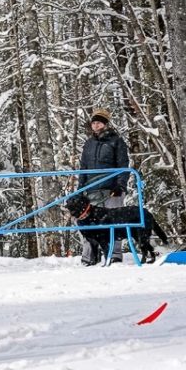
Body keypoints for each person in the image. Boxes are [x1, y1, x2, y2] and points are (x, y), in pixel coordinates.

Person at [77, 107, 131, 266]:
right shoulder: (89, 143)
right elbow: (83, 167)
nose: (96, 125)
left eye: (99, 123)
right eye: (93, 123)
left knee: (113, 222)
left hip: (111, 189)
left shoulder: (117, 141)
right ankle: (89, 256)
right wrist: (80, 190)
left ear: (106, 124)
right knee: (88, 223)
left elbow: (123, 165)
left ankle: (114, 255)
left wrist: (120, 185)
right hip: (91, 189)